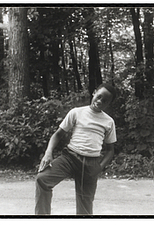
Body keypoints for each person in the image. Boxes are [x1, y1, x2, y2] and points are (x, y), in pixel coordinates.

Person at [35, 83, 117, 215]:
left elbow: (110, 150)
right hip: (70, 157)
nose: (100, 101)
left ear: (109, 103)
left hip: (91, 164)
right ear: (94, 92)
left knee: (85, 205)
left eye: (105, 100)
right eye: (99, 96)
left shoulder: (108, 122)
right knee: (42, 179)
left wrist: (100, 167)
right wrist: (48, 153)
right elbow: (57, 135)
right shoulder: (76, 112)